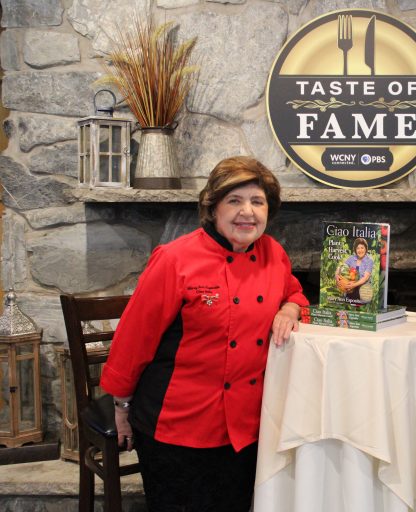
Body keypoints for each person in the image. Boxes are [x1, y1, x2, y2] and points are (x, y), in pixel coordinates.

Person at [100, 156, 309, 512]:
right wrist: (121, 406)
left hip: (246, 425)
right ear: (212, 208)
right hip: (178, 423)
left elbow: (295, 293)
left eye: (257, 202)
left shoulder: (273, 254)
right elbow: (133, 339)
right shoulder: (175, 259)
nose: (247, 212)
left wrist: (290, 309)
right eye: (234, 200)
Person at [335, 237, 373, 304]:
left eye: (362, 248)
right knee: (349, 304)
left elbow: (365, 278)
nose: (360, 250)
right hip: (350, 289)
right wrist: (336, 274)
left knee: (362, 306)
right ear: (355, 249)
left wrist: (353, 285)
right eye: (358, 248)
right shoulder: (351, 258)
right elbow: (340, 266)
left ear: (366, 248)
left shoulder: (369, 261)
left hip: (363, 290)